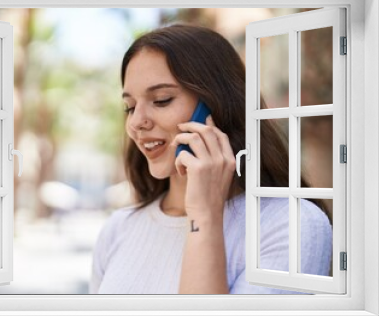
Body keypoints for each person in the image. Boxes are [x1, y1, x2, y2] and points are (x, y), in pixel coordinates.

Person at [89, 24, 332, 294]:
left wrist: (204, 215)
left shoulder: (291, 225)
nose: (136, 122)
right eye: (130, 107)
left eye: (161, 100)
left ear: (216, 105)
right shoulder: (119, 229)